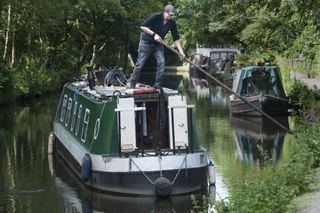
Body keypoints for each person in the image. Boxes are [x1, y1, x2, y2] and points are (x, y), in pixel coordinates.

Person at [128, 4, 185, 88]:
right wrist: (154, 34)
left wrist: (181, 51)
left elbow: (176, 38)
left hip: (158, 44)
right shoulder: (156, 16)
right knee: (140, 64)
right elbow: (143, 27)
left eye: (172, 15)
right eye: (170, 14)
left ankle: (157, 84)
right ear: (165, 12)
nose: (171, 16)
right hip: (146, 42)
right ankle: (132, 83)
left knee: (161, 62)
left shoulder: (172, 23)